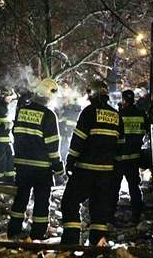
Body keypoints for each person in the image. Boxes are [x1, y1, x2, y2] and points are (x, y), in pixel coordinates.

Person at [61, 80, 124, 246]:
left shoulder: (89, 112)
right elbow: (120, 146)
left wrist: (70, 161)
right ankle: (96, 244)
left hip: (85, 169)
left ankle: (71, 240)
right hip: (106, 172)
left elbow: (78, 139)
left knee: (70, 201)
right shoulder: (116, 115)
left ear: (92, 94)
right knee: (99, 208)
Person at [7, 78, 64, 240]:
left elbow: (15, 134)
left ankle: (13, 230)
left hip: (22, 165)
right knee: (41, 200)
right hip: (42, 168)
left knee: (21, 198)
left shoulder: (22, 110)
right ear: (49, 96)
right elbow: (52, 145)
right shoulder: (48, 115)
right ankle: (38, 234)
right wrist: (58, 167)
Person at [110, 90, 148, 224]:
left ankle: (110, 216)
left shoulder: (118, 115)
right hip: (134, 158)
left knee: (114, 188)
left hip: (119, 159)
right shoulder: (141, 114)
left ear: (124, 100)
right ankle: (136, 214)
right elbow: (146, 132)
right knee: (134, 187)